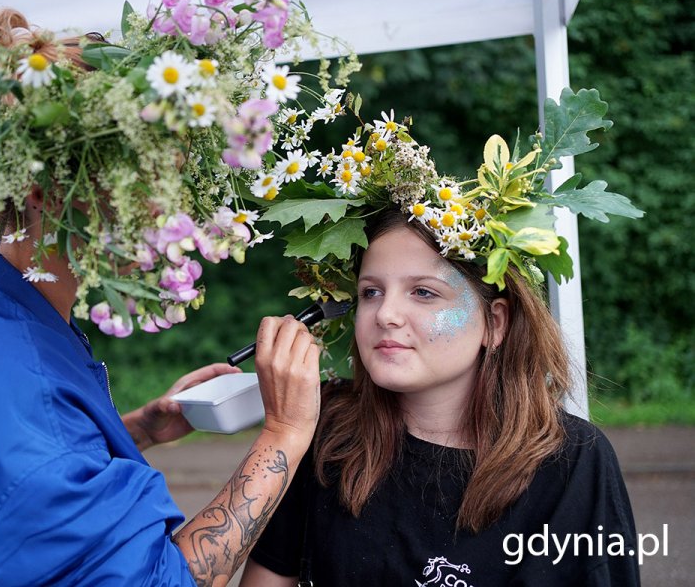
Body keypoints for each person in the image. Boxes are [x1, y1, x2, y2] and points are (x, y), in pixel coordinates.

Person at [0, 1, 324, 587]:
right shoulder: (36, 434)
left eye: (167, 177)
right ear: (40, 192)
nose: (166, 211)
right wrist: (285, 435)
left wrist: (134, 431)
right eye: (136, 185)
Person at [240, 210, 641, 586]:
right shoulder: (325, 428)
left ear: (495, 324)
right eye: (371, 292)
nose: (386, 314)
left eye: (423, 292)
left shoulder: (571, 461)